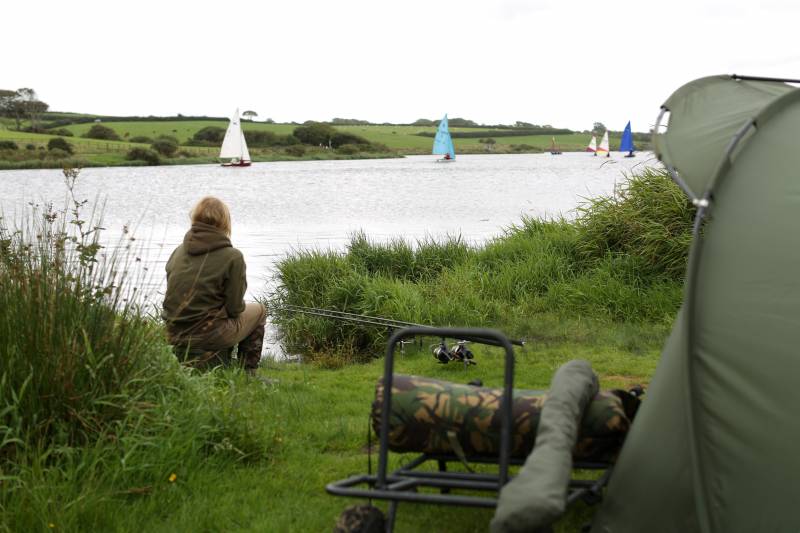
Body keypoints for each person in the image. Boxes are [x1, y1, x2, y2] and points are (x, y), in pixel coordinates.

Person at [162, 196, 266, 373]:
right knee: (260, 311)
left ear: (195, 219)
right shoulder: (233, 256)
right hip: (208, 335)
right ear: (224, 222)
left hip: (173, 333)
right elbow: (235, 309)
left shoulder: (178, 251)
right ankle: (248, 373)